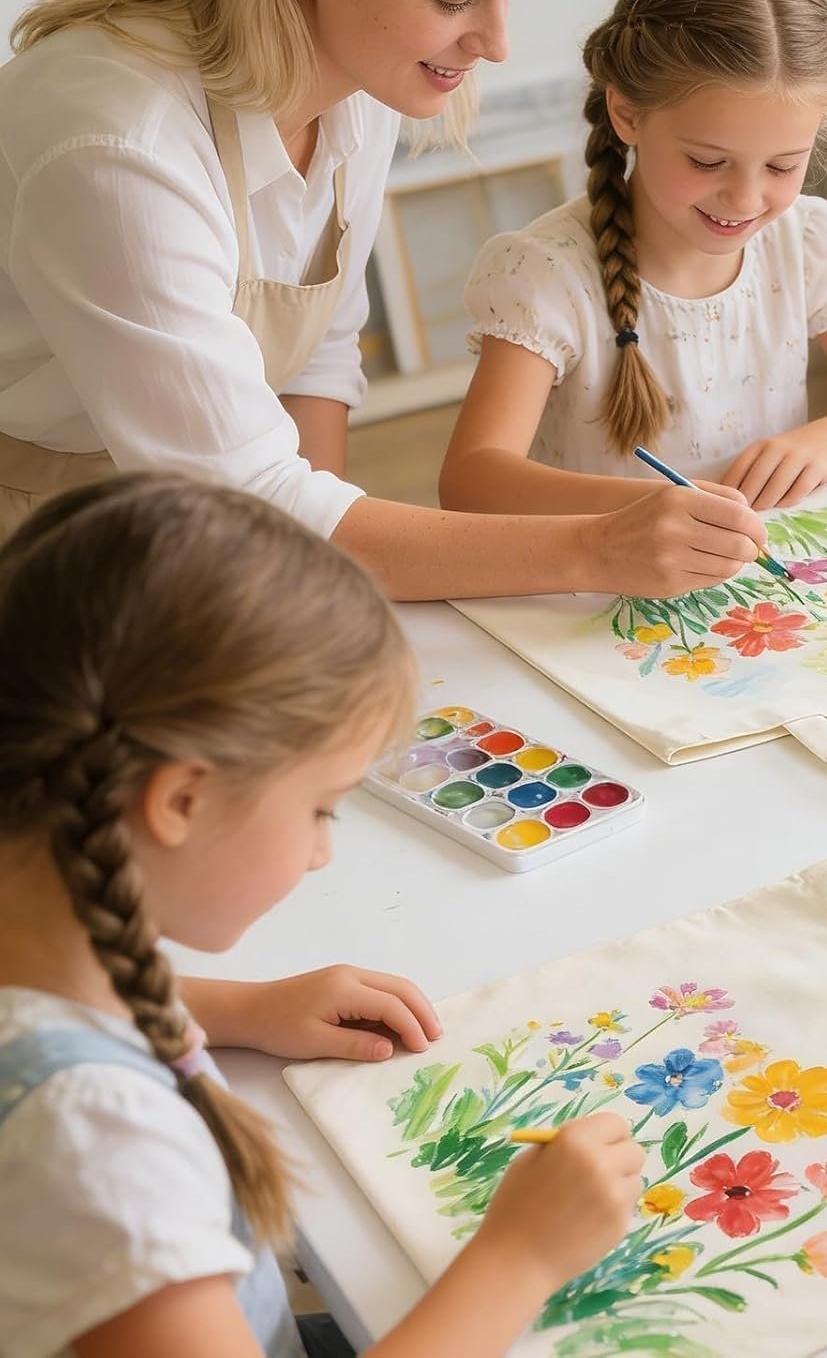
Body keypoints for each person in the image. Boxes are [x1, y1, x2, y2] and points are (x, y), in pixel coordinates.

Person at [0, 473, 644, 1356]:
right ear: (181, 800)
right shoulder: (97, 1151)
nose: (322, 854)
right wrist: (522, 1258)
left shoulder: (37, 928)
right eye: (321, 808)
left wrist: (238, 1008)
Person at [0, 0, 765, 599]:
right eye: (455, 0)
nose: (496, 44)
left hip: (188, 500)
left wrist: (310, 583)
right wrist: (595, 549)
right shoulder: (120, 144)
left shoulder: (353, 82)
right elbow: (251, 493)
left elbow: (314, 360)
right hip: (37, 515)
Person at [442, 0, 827, 515]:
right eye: (708, 162)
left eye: (783, 165)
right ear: (627, 114)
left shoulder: (800, 244)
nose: (745, 198)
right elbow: (471, 479)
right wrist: (642, 513)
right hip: (603, 586)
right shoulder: (547, 275)